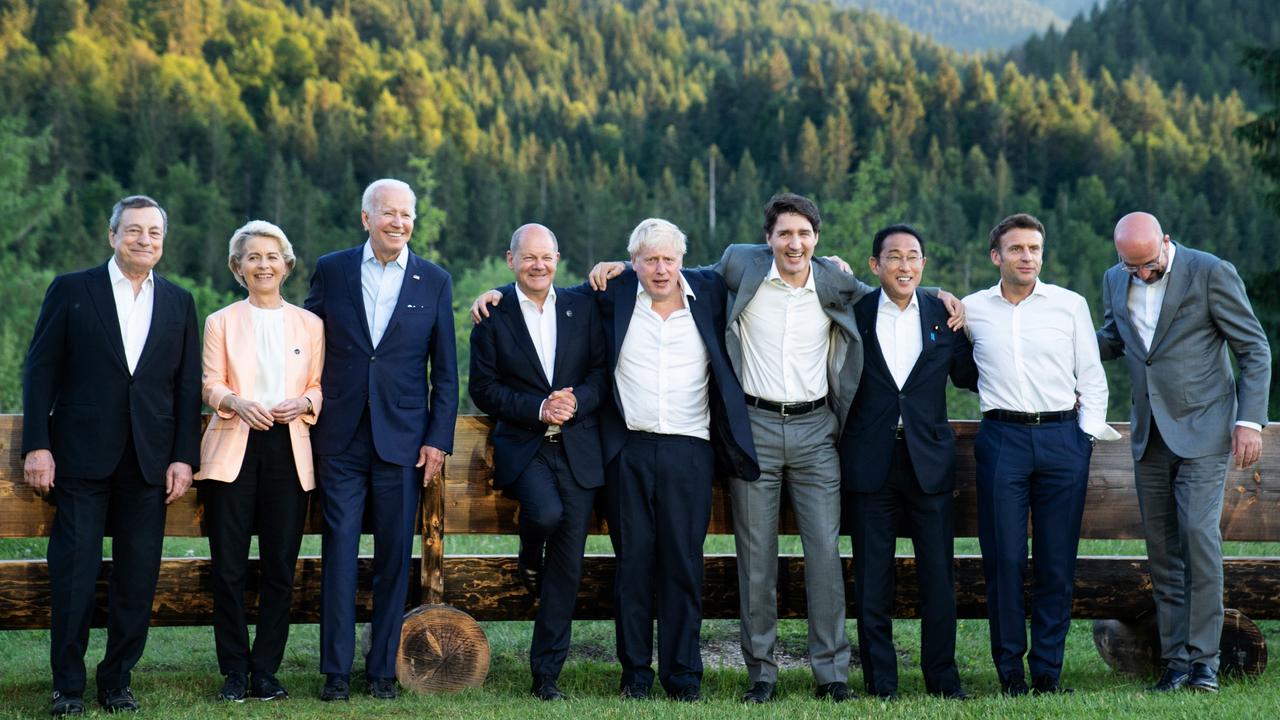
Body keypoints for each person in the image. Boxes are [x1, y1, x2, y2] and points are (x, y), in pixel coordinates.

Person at [586, 193, 964, 703]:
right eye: (785, 233)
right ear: (768, 240)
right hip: (755, 428)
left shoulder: (834, 280)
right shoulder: (741, 265)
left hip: (816, 432)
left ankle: (831, 673)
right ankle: (761, 673)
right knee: (756, 557)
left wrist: (941, 294)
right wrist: (620, 268)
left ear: (817, 239)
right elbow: (675, 270)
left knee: (825, 554)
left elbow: (897, 285)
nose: (795, 243)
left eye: (804, 234)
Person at [473, 218, 758, 701]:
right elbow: (549, 296)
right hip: (628, 450)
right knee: (633, 568)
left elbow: (772, 260)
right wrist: (493, 295)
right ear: (634, 262)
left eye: (668, 258)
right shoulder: (612, 294)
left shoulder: (709, 292)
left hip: (691, 449)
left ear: (682, 261)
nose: (660, 269)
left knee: (684, 568)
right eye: (649, 259)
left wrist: (830, 266)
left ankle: (683, 676)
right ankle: (635, 676)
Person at [21, 195, 202, 715]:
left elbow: (187, 387)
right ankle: (68, 687)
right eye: (134, 231)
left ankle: (117, 679)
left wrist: (183, 457)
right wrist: (38, 444)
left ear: (163, 243)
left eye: (154, 233)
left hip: (149, 461)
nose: (144, 240)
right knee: (74, 574)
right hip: (79, 458)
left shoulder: (178, 301)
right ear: (112, 236)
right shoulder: (73, 289)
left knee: (137, 577)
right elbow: (40, 371)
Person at [1096, 212, 1271, 693]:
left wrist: (1249, 421)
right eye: (1132, 267)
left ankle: (1205, 663)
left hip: (1205, 430)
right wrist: (1059, 340)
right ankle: (1174, 662)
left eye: (1149, 265)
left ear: (1166, 243)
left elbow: (1253, 348)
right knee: (1162, 552)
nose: (1141, 275)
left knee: (1198, 538)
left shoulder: (1212, 271)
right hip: (1149, 434)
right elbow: (1114, 339)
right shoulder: (1116, 277)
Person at [304, 178, 458, 701]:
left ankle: (382, 672)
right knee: (340, 553)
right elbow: (305, 341)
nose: (398, 222)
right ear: (365, 218)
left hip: (404, 443)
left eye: (406, 215)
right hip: (340, 439)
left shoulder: (434, 280)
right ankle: (335, 673)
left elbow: (447, 373)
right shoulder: (332, 269)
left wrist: (438, 439)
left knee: (395, 558)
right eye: (388, 213)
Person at [962, 212, 1118, 697]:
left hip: (1062, 441)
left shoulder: (1069, 305)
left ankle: (1048, 673)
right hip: (1001, 439)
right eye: (1016, 249)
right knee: (1004, 561)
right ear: (996, 256)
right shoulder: (971, 308)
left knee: (1055, 562)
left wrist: (1083, 437)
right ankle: (1010, 673)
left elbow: (1091, 376)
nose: (1026, 257)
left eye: (1033, 249)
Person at [468, 223, 609, 701]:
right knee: (545, 514)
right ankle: (529, 557)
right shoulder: (492, 313)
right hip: (525, 445)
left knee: (568, 566)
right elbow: (482, 388)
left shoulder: (582, 305)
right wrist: (537, 408)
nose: (538, 265)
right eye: (528, 257)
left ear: (558, 258)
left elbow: (600, 372)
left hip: (578, 447)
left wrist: (576, 402)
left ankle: (546, 675)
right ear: (511, 260)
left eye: (546, 257)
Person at [840, 224, 978, 701]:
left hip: (929, 462)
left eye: (913, 257)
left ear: (923, 264)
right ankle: (881, 682)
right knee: (871, 578)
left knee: (938, 576)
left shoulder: (944, 315)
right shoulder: (852, 313)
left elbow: (970, 375)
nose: (904, 265)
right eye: (893, 257)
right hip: (869, 462)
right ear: (875, 265)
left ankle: (943, 678)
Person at [196, 221, 324, 702]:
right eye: (253, 257)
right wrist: (234, 401)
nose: (263, 264)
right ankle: (234, 670)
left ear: (287, 265)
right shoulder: (220, 321)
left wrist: (306, 404)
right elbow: (209, 383)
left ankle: (266, 670)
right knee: (227, 568)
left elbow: (317, 385)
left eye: (272, 256)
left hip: (289, 450)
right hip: (234, 447)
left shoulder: (311, 325)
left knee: (279, 568)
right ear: (238, 267)